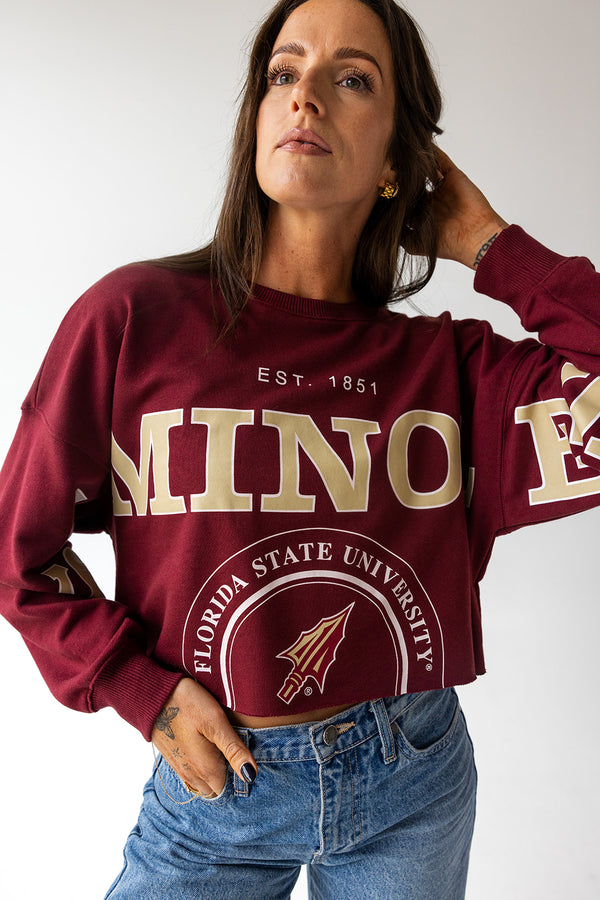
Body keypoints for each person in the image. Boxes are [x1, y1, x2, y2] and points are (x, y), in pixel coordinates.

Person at [0, 0, 599, 896]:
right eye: (284, 73)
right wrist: (137, 689)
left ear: (403, 160)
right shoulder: (133, 321)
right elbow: (19, 549)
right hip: (216, 786)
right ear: (255, 120)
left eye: (351, 78)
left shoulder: (449, 370)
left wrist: (490, 244)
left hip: (415, 775)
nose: (306, 97)